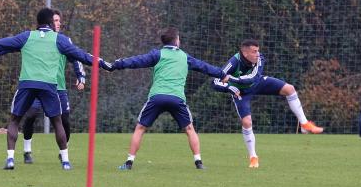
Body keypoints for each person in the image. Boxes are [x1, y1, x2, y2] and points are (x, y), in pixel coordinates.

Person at [0, 7, 106, 170]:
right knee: (57, 122)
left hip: (27, 84)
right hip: (49, 85)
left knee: (14, 120)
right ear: (50, 22)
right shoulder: (59, 40)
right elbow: (82, 55)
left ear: (37, 22)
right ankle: (66, 161)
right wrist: (104, 64)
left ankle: (10, 159)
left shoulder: (27, 36)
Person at [107, 27, 228, 171]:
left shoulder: (157, 54)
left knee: (140, 128)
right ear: (177, 41)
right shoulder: (185, 57)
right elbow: (204, 67)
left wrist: (116, 64)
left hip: (157, 97)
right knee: (189, 129)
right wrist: (221, 74)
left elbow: (136, 61)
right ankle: (199, 163)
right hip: (177, 98)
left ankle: (128, 163)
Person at [212, 39, 324, 168]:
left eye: (258, 51)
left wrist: (232, 79)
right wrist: (229, 88)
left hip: (257, 83)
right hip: (241, 92)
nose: (257, 54)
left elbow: (253, 78)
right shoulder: (233, 62)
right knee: (247, 122)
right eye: (254, 51)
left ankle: (304, 124)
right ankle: (253, 157)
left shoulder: (260, 59)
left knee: (290, 89)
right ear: (245, 53)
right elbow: (215, 82)